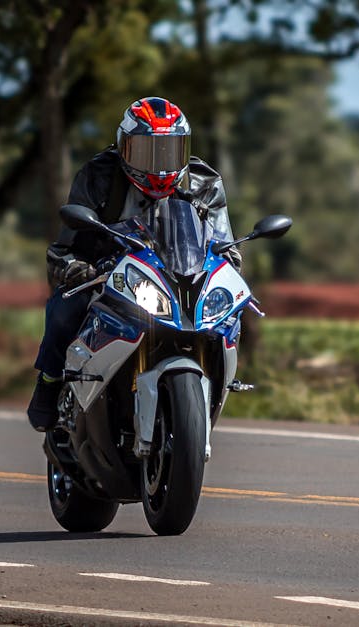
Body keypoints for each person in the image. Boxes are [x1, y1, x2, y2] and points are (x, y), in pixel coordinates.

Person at [27, 96, 239, 431]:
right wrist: (76, 267)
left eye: (168, 151)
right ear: (124, 148)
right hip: (109, 273)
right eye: (145, 151)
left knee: (229, 312)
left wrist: (228, 265)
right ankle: (50, 382)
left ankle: (216, 384)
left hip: (179, 278)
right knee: (66, 308)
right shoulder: (99, 175)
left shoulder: (203, 181)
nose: (158, 165)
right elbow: (65, 248)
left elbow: (225, 245)